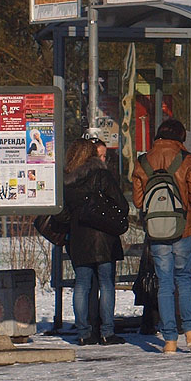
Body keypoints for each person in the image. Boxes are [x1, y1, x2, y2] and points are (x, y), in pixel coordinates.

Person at [131, 118, 191, 354]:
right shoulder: (187, 161)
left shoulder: (143, 162)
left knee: (164, 283)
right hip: (183, 228)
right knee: (183, 279)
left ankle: (169, 340)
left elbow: (139, 201)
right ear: (180, 137)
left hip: (156, 231)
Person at [62, 138, 127, 346]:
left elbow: (62, 213)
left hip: (79, 237)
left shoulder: (67, 180)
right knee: (106, 284)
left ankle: (83, 332)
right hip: (104, 236)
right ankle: (107, 332)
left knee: (81, 285)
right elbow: (121, 203)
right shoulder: (101, 175)